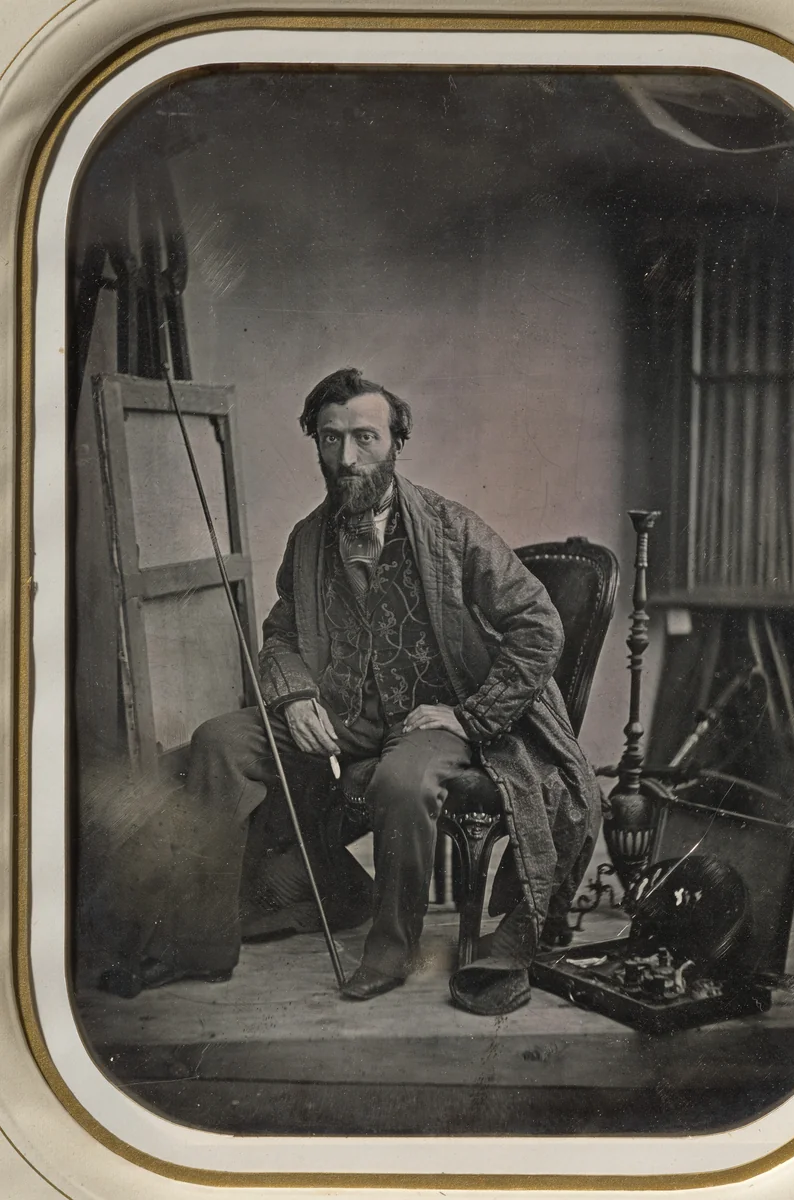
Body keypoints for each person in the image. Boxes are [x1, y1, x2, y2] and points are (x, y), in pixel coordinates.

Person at [102, 368, 600, 1015]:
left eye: (365, 437)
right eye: (331, 438)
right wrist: (293, 696)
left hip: (431, 717)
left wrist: (470, 717)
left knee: (402, 782)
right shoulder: (308, 538)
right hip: (342, 713)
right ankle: (199, 944)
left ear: (395, 443)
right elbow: (281, 634)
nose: (347, 457)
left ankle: (391, 951)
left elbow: (537, 624)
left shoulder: (452, 528)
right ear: (315, 442)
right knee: (218, 741)